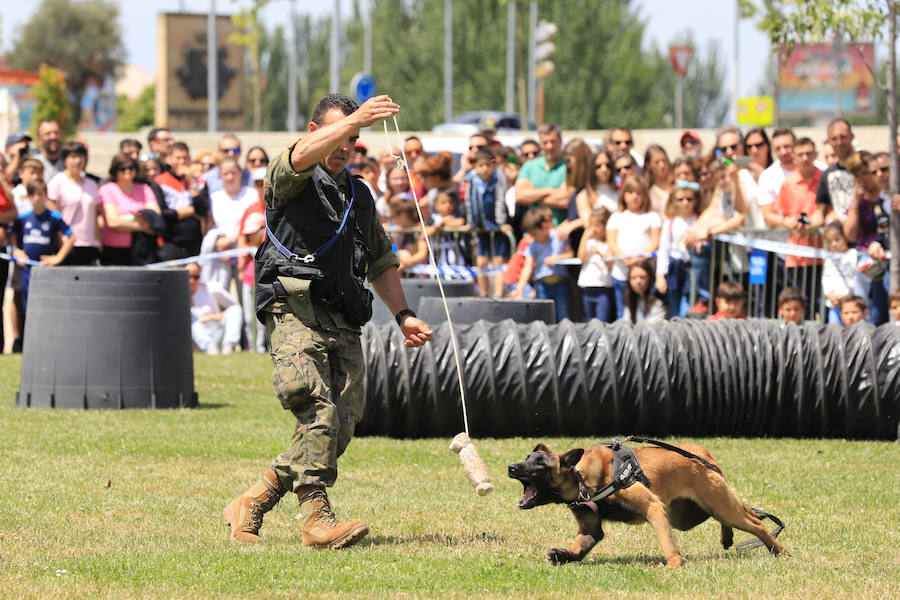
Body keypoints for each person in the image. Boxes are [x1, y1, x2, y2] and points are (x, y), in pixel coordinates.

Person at [223, 93, 432, 550]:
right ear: (315, 132)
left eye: (354, 139)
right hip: (292, 309)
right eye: (341, 134)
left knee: (342, 422)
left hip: (342, 317)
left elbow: (381, 260)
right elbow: (299, 158)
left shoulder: (359, 194)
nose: (346, 146)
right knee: (315, 405)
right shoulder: (288, 175)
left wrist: (404, 315)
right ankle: (316, 521)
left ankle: (253, 501)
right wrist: (354, 120)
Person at [9, 179, 75, 315]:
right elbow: (12, 234)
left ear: (46, 195)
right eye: (32, 194)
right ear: (28, 196)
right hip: (27, 270)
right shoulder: (23, 218)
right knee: (27, 308)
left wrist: (58, 258)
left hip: (46, 269)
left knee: (46, 306)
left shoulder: (54, 217)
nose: (37, 198)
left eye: (40, 194)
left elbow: (71, 237)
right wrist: (16, 251)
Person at [842, 151, 891, 325]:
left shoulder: (886, 196)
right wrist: (855, 202)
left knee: (882, 309)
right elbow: (850, 235)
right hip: (866, 259)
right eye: (856, 175)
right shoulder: (861, 199)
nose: (861, 179)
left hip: (886, 259)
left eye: (864, 173)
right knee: (864, 306)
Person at [606, 176, 661, 319]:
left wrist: (638, 261)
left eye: (639, 193)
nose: (635, 197)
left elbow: (655, 243)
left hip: (645, 275)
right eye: (630, 192)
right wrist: (624, 258)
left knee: (646, 311)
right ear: (623, 195)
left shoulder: (652, 216)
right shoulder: (616, 217)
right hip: (621, 272)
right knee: (623, 312)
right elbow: (612, 242)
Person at [510, 208, 575, 322]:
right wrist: (520, 288)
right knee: (542, 317)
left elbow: (570, 254)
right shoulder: (532, 245)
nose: (533, 237)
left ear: (544, 226)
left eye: (535, 234)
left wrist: (555, 259)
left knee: (563, 315)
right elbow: (528, 267)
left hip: (560, 284)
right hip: (542, 286)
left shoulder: (558, 236)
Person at [98, 153, 161, 265]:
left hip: (142, 249)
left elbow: (155, 216)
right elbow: (113, 222)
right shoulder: (107, 189)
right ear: (115, 170)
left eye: (131, 168)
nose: (127, 171)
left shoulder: (144, 188)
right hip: (114, 250)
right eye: (122, 168)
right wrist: (142, 226)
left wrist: (125, 219)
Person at [47, 141, 102, 265]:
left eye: (80, 157)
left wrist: (98, 240)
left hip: (90, 243)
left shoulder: (92, 184)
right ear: (64, 160)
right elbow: (54, 216)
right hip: (66, 244)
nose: (77, 161)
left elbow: (94, 215)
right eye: (73, 157)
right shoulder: (57, 182)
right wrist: (61, 245)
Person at [464, 150, 510, 296]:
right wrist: (471, 222)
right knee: (481, 262)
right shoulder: (472, 178)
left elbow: (500, 199)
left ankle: (499, 295)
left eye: (487, 165)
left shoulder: (498, 177)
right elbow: (469, 201)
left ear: (493, 165)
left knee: (498, 261)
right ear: (475, 166)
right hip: (480, 226)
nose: (484, 168)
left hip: (496, 225)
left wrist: (501, 222)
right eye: (480, 165)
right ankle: (483, 294)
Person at [156, 142, 209, 260]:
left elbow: (202, 209)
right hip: (170, 241)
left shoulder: (199, 182)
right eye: (178, 158)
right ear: (170, 159)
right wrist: (191, 211)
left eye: (185, 158)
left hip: (195, 242)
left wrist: (191, 181)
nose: (182, 162)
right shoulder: (159, 181)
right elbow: (164, 214)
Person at [656, 181, 701, 318]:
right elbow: (663, 250)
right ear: (674, 201)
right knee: (674, 310)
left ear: (696, 200)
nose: (685, 203)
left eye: (689, 199)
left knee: (686, 308)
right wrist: (660, 276)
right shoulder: (669, 223)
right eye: (680, 199)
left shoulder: (699, 220)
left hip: (692, 268)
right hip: (674, 268)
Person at [236, 168, 267, 353]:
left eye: (264, 182)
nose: (261, 187)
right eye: (258, 183)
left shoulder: (278, 208)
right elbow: (242, 237)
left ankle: (262, 347)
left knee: (264, 314)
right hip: (250, 271)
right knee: (249, 315)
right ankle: (253, 347)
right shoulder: (251, 210)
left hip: (270, 271)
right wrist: (240, 266)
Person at [514, 123, 569, 225]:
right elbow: (519, 196)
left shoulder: (569, 166)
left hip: (560, 230)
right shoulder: (529, 166)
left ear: (561, 141)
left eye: (553, 141)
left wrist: (532, 196)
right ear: (540, 144)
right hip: (533, 231)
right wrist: (552, 191)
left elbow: (565, 200)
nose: (549, 146)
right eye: (545, 142)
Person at [187, 261, 242, 355]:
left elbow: (234, 305)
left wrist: (224, 314)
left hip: (217, 335)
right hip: (196, 341)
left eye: (196, 277)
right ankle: (209, 347)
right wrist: (212, 317)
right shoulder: (178, 295)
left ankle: (229, 346)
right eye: (189, 276)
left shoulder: (211, 288)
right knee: (190, 315)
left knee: (235, 310)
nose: (192, 281)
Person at [576, 207, 615, 322]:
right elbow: (582, 259)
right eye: (591, 225)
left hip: (603, 289)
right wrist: (584, 238)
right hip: (588, 288)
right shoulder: (589, 242)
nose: (593, 229)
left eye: (597, 226)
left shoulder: (608, 243)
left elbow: (610, 264)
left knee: (602, 321)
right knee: (590, 321)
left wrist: (599, 253)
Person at [815, 118, 857, 223]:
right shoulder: (827, 175)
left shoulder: (868, 166)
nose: (839, 142)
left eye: (843, 137)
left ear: (852, 136)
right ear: (829, 141)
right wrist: (804, 224)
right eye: (834, 139)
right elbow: (820, 212)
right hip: (840, 231)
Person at [821, 223, 858, 324]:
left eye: (837, 239)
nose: (834, 244)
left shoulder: (853, 255)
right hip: (834, 305)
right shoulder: (829, 259)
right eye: (830, 241)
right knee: (834, 329)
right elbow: (826, 279)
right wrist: (830, 295)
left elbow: (855, 278)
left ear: (845, 238)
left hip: (851, 305)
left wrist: (845, 295)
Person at [425, 188, 467, 272]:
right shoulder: (433, 219)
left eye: (451, 202)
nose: (448, 205)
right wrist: (438, 225)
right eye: (443, 202)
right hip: (438, 264)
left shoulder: (457, 217)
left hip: (458, 264)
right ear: (436, 205)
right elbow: (425, 234)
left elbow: (460, 222)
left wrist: (443, 222)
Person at [643, 144, 673, 215]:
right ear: (648, 165)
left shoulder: (677, 184)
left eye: (664, 161)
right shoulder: (646, 191)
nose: (662, 165)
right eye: (657, 162)